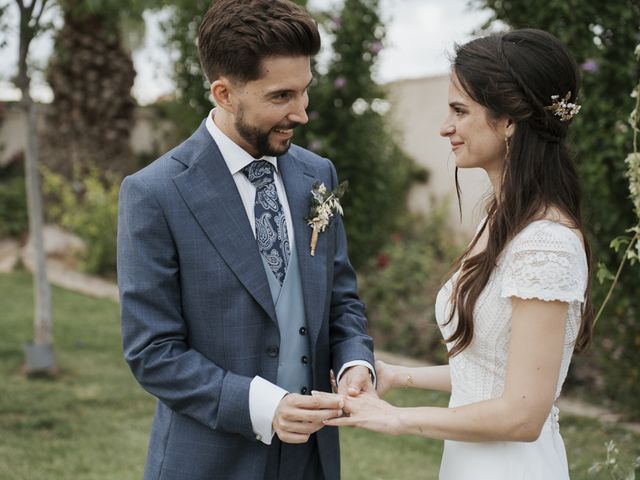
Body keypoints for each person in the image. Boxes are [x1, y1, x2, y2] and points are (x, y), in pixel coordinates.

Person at [117, 1, 375, 479]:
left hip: (312, 460)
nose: (301, 113)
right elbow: (152, 352)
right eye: (281, 97)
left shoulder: (318, 174)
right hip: (210, 460)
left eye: (305, 92)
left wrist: (356, 360)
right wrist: (264, 407)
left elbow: (341, 300)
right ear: (224, 93)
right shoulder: (154, 193)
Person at [323, 29, 593, 479]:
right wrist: (396, 376)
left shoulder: (546, 244)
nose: (445, 126)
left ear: (509, 121)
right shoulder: (504, 220)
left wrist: (398, 418)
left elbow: (522, 416)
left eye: (459, 110)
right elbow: (487, 374)